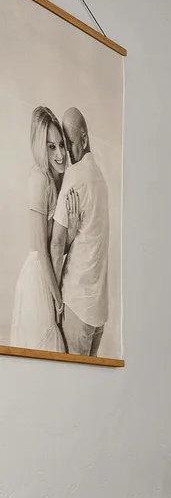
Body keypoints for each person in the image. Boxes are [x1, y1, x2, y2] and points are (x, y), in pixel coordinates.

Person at [8, 107, 66, 352]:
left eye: (61, 144)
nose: (61, 154)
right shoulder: (39, 180)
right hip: (38, 279)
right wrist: (58, 299)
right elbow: (42, 250)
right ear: (40, 147)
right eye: (51, 146)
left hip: (50, 274)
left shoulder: (57, 178)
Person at [51, 107, 108, 356]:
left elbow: (55, 245)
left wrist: (52, 301)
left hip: (76, 305)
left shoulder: (75, 176)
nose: (65, 152)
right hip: (98, 312)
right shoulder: (100, 178)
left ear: (84, 139)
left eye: (69, 142)